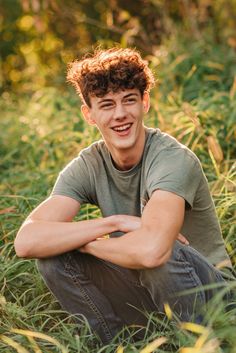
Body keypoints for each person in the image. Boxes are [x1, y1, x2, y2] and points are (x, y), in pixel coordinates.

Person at [14, 48, 232, 344]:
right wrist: (113, 223)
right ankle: (119, 346)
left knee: (160, 254)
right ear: (89, 114)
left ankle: (200, 345)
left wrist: (85, 245)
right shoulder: (89, 164)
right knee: (52, 259)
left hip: (214, 298)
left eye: (129, 100)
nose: (120, 114)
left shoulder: (171, 159)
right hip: (146, 288)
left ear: (145, 102)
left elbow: (152, 251)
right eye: (106, 104)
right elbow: (27, 241)